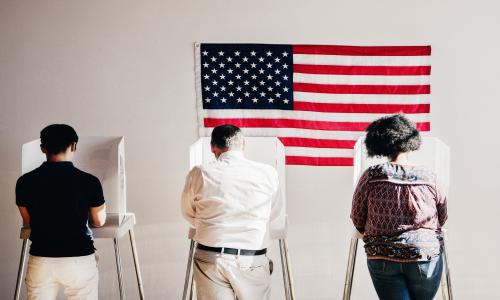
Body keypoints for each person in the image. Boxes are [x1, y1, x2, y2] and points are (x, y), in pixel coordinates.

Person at [350, 114, 448, 300]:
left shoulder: (371, 175)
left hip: (383, 255)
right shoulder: (430, 176)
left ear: (380, 142)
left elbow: (357, 217)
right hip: (424, 255)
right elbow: (442, 217)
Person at [181, 124, 283, 300]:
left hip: (211, 257)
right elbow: (273, 213)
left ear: (212, 147)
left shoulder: (199, 173)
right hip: (252, 259)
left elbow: (188, 213)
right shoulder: (268, 173)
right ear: (243, 144)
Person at [16, 124, 106, 300]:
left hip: (41, 260)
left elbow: (28, 221)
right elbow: (99, 221)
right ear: (73, 146)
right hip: (79, 260)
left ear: (42, 148)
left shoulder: (24, 182)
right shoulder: (90, 182)